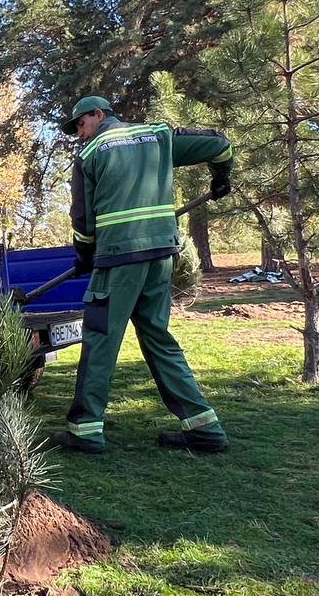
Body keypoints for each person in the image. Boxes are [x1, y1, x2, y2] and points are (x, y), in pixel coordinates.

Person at [50, 95, 232, 457]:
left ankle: (85, 430)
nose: (80, 135)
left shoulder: (90, 154)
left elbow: (83, 220)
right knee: (157, 336)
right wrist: (221, 177)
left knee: (101, 338)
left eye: (81, 125)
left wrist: (85, 253)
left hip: (118, 259)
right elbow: (219, 144)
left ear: (98, 115)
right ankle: (204, 427)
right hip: (161, 256)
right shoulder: (158, 138)